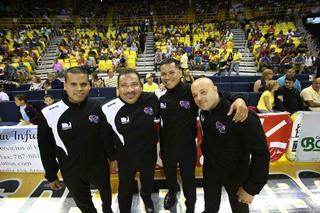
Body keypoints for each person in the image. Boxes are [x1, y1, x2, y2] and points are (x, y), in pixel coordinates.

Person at [158, 58, 248, 212]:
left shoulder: (191, 92)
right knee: (170, 177)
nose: (167, 77)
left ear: (180, 72)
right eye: (164, 74)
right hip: (167, 148)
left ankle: (190, 206)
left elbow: (219, 93)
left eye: (171, 72)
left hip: (187, 148)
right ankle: (172, 192)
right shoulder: (161, 97)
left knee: (188, 181)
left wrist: (239, 98)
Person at [37, 67, 113, 213]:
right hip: (71, 170)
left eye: (83, 84)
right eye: (73, 84)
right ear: (65, 85)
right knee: (85, 206)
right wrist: (51, 175)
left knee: (106, 197)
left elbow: (106, 137)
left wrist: (113, 158)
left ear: (89, 85)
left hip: (99, 166)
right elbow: (45, 148)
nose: (79, 89)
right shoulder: (49, 114)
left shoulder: (98, 107)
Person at [190, 77, 270, 213]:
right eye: (195, 95)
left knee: (239, 209)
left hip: (236, 173)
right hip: (211, 169)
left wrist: (251, 188)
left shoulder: (241, 114)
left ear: (215, 90)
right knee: (210, 207)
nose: (199, 98)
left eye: (203, 92)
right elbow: (226, 94)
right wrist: (238, 97)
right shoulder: (203, 109)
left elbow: (261, 154)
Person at [102, 68, 158, 213]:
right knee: (125, 187)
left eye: (134, 84)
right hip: (125, 156)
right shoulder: (108, 109)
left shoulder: (152, 99)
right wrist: (112, 157)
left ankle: (146, 197)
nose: (130, 90)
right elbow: (106, 137)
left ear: (141, 85)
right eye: (124, 85)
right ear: (117, 88)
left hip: (149, 153)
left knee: (148, 180)